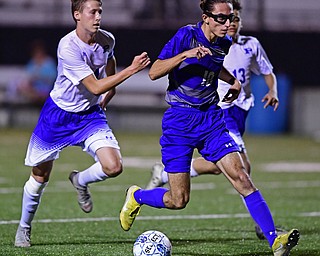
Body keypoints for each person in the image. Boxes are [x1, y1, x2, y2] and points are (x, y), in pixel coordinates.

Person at [119, 0, 299, 255]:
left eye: (231, 18)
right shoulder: (186, 36)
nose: (228, 24)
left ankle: (275, 241)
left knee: (241, 176)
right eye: (222, 19)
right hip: (179, 123)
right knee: (178, 199)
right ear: (206, 18)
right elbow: (154, 71)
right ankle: (137, 196)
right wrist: (185, 55)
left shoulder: (223, 43)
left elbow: (213, 66)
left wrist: (232, 81)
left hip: (211, 120)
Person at [14, 0, 150, 248]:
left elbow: (109, 65)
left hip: (89, 115)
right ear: (77, 15)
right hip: (58, 116)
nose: (98, 16)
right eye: (92, 12)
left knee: (113, 166)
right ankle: (24, 227)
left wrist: (112, 90)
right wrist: (130, 71)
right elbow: (95, 86)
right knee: (39, 176)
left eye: (100, 11)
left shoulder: (107, 39)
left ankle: (81, 181)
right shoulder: (68, 47)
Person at [6, 39, 57, 105]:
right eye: (35, 53)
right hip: (33, 89)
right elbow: (27, 76)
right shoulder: (32, 63)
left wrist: (40, 77)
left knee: (40, 94)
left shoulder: (49, 62)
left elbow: (53, 77)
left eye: (39, 52)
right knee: (18, 86)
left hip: (46, 89)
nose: (38, 54)